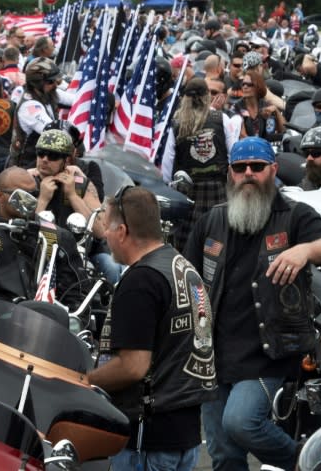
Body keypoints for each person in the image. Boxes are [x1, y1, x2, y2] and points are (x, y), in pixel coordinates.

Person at [182, 136, 321, 471]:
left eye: (257, 167)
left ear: (272, 169)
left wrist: (305, 250)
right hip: (214, 353)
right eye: (241, 168)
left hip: (269, 349)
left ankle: (309, 465)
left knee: (241, 422)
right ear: (230, 173)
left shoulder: (294, 215)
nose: (249, 174)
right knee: (224, 454)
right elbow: (187, 277)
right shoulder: (212, 220)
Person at [89, 186, 216, 471]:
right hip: (184, 435)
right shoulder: (181, 265)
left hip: (148, 440)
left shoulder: (141, 281)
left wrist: (85, 382)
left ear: (122, 231)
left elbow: (133, 367)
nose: (105, 235)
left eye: (107, 226)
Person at [0, 167, 89, 308]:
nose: (30, 199)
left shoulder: (58, 236)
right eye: (22, 195)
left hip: (41, 322)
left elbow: (76, 294)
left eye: (34, 193)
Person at [162, 78, 239, 251]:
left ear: (185, 98)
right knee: (217, 244)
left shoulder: (176, 124)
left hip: (187, 193)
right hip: (218, 191)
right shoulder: (222, 119)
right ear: (207, 97)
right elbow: (234, 155)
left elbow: (166, 171)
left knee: (188, 247)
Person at [27, 129, 103, 236]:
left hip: (77, 249)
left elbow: (101, 231)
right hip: (36, 248)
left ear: (66, 160)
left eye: (53, 155)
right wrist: (43, 199)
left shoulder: (81, 184)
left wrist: (73, 196)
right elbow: (19, 229)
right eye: (41, 153)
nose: (44, 159)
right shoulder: (27, 181)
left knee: (104, 254)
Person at [10, 57, 62, 168]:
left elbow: (75, 99)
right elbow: (52, 130)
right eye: (51, 81)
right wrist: (75, 137)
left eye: (57, 80)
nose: (55, 84)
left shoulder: (48, 94)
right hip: (25, 167)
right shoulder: (30, 106)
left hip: (41, 162)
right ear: (37, 83)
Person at [231, 69, 284, 142]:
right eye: (243, 84)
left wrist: (276, 111)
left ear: (258, 87)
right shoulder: (236, 108)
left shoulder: (266, 106)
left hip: (265, 148)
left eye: (249, 84)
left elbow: (284, 131)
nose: (245, 87)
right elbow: (242, 136)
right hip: (245, 148)